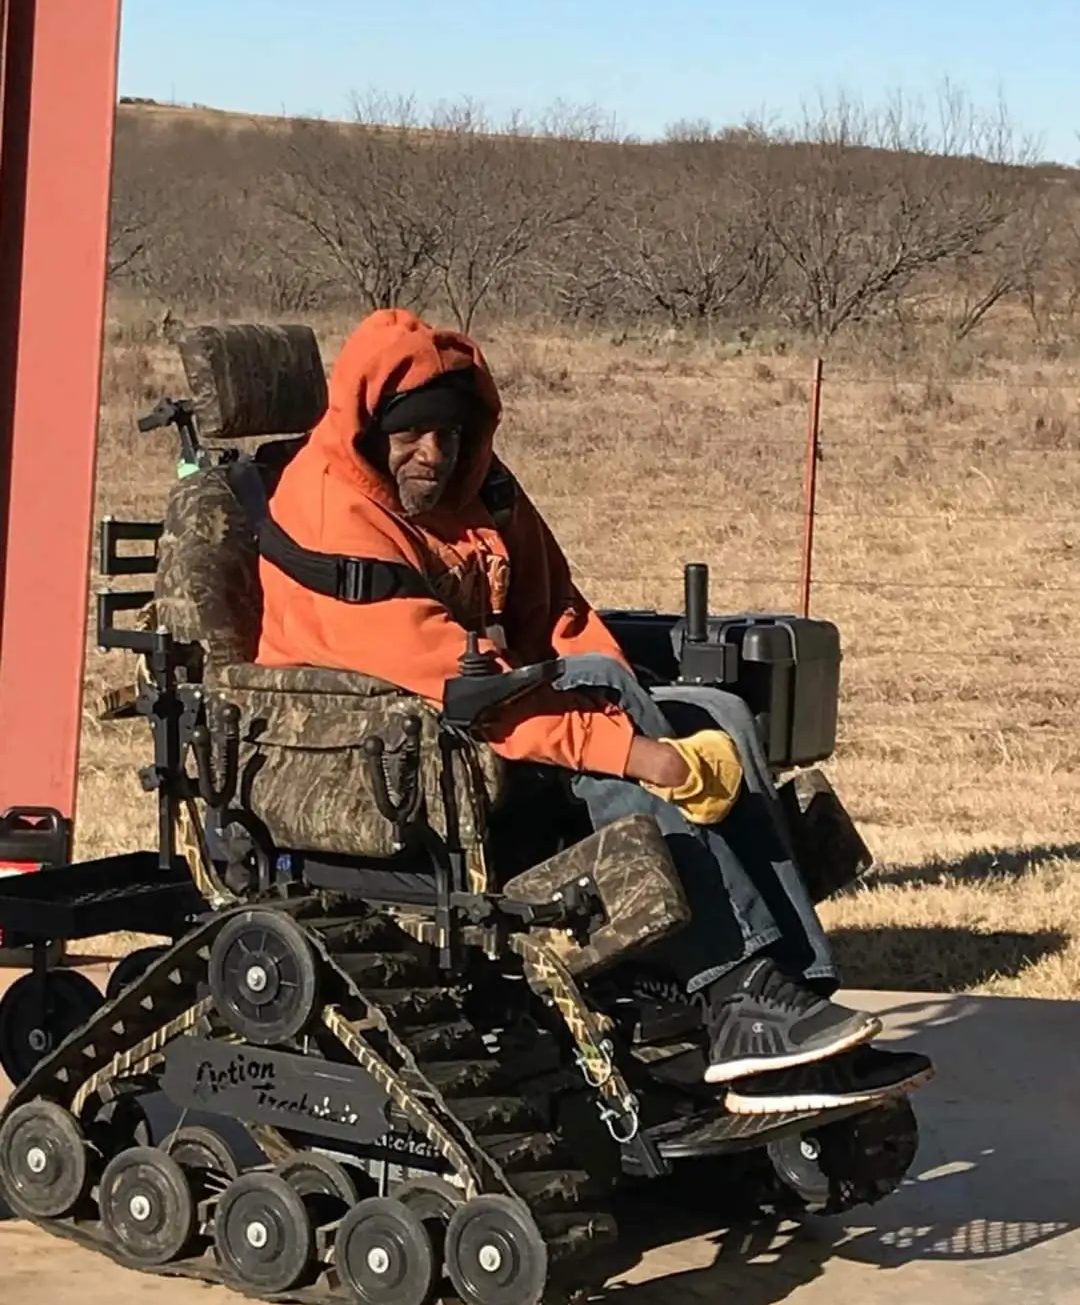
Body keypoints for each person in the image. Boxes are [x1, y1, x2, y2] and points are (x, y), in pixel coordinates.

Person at [255, 309, 929, 1112]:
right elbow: (444, 675)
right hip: (381, 747)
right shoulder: (333, 510)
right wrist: (643, 752)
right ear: (371, 426)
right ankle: (733, 985)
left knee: (719, 712)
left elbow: (559, 614)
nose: (433, 454)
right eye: (412, 434)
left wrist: (645, 709)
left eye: (452, 433)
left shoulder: (482, 486)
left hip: (482, 712)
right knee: (619, 727)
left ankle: (790, 988)